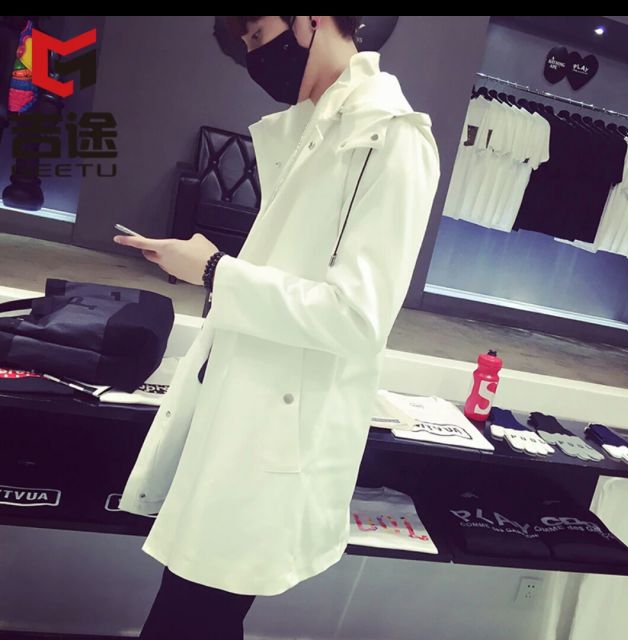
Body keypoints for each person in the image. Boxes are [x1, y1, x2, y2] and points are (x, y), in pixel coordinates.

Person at [115, 15, 440, 640]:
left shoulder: (392, 138)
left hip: (272, 438)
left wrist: (214, 270)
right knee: (194, 613)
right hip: (235, 413)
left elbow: (357, 317)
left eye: (259, 35)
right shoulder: (313, 129)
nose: (255, 57)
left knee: (190, 617)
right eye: (245, 47)